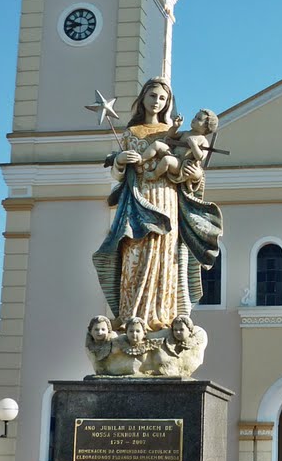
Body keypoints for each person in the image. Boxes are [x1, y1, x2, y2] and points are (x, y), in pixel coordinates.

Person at [92, 78, 223, 330]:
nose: (157, 102)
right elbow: (117, 176)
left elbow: (194, 168)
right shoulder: (131, 132)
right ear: (143, 98)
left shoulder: (173, 132)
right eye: (152, 96)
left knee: (165, 256)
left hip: (166, 196)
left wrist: (195, 175)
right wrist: (120, 159)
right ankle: (130, 317)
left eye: (162, 98)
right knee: (134, 253)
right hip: (136, 197)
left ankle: (162, 316)